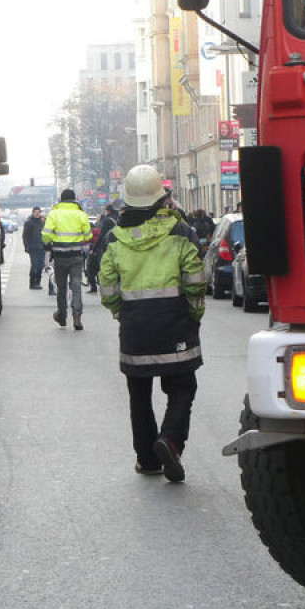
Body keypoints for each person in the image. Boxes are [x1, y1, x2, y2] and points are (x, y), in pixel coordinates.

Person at [99, 165, 206, 482]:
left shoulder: (114, 239)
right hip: (175, 323)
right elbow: (196, 280)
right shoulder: (180, 232)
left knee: (139, 393)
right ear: (163, 198)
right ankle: (170, 441)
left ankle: (147, 460)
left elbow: (107, 286)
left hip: (135, 327)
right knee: (182, 386)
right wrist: (194, 313)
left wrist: (122, 313)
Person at [42, 188, 91, 331]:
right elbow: (88, 236)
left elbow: (45, 235)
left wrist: (52, 240)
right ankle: (77, 316)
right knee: (76, 287)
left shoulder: (54, 214)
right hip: (76, 255)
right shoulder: (81, 214)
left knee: (61, 288)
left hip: (59, 256)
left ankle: (62, 316)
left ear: (61, 199)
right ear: (74, 199)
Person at [22, 207, 47, 289]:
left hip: (42, 247)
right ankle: (33, 282)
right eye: (35, 212)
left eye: (38, 212)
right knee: (34, 265)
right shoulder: (29, 223)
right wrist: (26, 247)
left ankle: (38, 281)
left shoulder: (43, 222)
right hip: (33, 247)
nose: (37, 213)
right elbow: (25, 236)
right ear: (32, 213)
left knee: (40, 265)